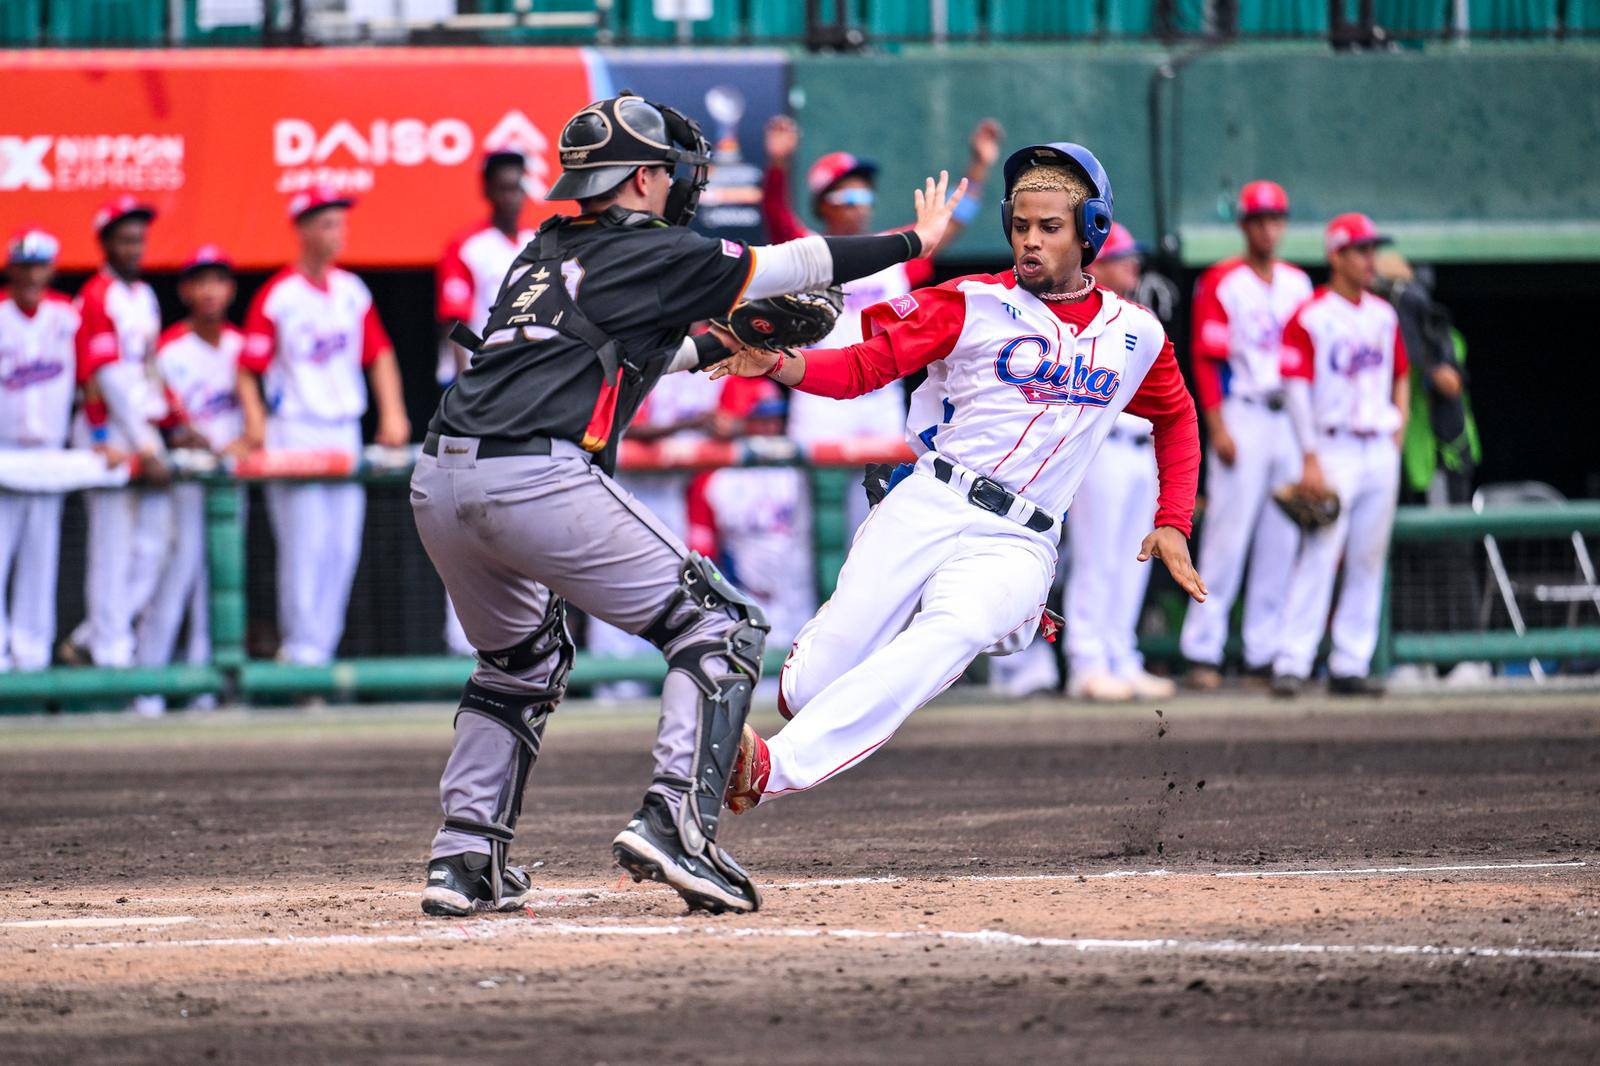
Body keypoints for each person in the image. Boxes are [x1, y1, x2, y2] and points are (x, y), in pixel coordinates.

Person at [408, 93, 969, 917]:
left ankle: (464, 858)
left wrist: (720, 345)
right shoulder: (655, 246)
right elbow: (796, 264)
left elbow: (617, 355)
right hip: (532, 475)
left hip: (439, 477)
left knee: (517, 664)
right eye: (669, 171)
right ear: (641, 176)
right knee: (721, 625)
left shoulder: (544, 250)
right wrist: (914, 242)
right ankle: (676, 822)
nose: (679, 184)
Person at [712, 142, 1205, 813]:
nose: (1031, 241)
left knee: (955, 626)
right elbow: (862, 367)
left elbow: (1177, 417)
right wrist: (776, 363)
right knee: (808, 690)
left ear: (1090, 231)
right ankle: (981, 627)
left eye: (1050, 227)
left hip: (1020, 537)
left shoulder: (1135, 334)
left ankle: (773, 769)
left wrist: (1173, 520)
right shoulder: (970, 303)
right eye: (1021, 225)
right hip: (933, 500)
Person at [761, 115, 1003, 534]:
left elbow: (949, 225)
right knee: (808, 524)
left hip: (880, 399)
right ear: (823, 203)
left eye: (864, 193)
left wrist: (978, 168)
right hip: (818, 396)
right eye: (848, 193)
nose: (860, 202)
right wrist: (778, 165)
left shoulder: (893, 250)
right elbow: (776, 216)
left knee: (880, 516)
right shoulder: (807, 250)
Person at [237, 187, 411, 667]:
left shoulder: (352, 290)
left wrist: (393, 412)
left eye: (340, 222)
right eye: (328, 223)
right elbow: (248, 367)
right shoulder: (279, 295)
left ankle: (319, 655)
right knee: (305, 549)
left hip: (343, 430)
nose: (339, 232)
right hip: (296, 430)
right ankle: (301, 656)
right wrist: (255, 422)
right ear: (304, 229)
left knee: (341, 550)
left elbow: (379, 353)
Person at [1177, 181, 1314, 691]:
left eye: (1275, 219)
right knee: (1227, 538)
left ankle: (1263, 652)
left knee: (1282, 538)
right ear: (1244, 226)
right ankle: (1202, 649)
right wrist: (1217, 426)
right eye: (1259, 220)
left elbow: (1307, 363)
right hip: (1244, 412)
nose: (1268, 229)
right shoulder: (1222, 280)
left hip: (1288, 415)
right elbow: (1206, 358)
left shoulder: (1299, 283)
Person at [1270, 213, 1408, 698]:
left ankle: (1351, 662)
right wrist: (1309, 455)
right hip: (1332, 445)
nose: (1371, 259)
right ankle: (1292, 661)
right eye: (1360, 250)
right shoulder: (1311, 315)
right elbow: (1295, 387)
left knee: (1369, 557)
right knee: (1320, 552)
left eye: (1372, 250)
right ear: (1337, 256)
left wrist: (1397, 434)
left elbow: (1401, 375)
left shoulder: (1384, 314)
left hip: (1377, 444)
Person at [1062, 223, 1175, 702]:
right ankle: (1086, 663)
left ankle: (1121, 657)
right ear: (1097, 264)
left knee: (1135, 559)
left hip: (1140, 448)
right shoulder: (1075, 316)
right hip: (1099, 448)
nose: (1133, 265)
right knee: (1096, 559)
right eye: (1122, 257)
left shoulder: (1140, 319)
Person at [435, 148, 539, 657]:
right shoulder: (468, 247)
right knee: (468, 520)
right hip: (480, 403)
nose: (511, 196)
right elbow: (455, 324)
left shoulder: (541, 245)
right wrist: (472, 394)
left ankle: (529, 641)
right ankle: (464, 646)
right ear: (488, 190)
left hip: (532, 404)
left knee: (530, 519)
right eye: (503, 186)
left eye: (517, 185)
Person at [65, 196, 173, 669]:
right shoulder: (96, 294)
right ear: (105, 243)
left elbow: (148, 369)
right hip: (105, 431)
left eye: (139, 239)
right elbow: (105, 377)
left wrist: (173, 422)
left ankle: (91, 638)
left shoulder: (143, 296)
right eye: (125, 239)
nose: (134, 248)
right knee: (112, 549)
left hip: (142, 427)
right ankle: (110, 654)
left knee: (157, 544)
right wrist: (144, 444)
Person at [135, 247, 248, 692]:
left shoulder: (241, 345)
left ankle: (207, 692)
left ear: (231, 289)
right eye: (200, 281)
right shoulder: (169, 348)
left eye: (218, 280)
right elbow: (151, 412)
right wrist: (176, 434)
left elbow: (258, 415)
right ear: (184, 290)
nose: (209, 290)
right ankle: (147, 687)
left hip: (229, 478)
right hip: (182, 481)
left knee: (219, 584)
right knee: (175, 576)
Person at [0, 230, 81, 673]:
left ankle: (31, 658)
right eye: (24, 266)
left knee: (40, 559)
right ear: (11, 270)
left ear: (51, 270)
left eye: (40, 266)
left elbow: (94, 377)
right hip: (4, 450)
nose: (32, 275)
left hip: (49, 452)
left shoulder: (67, 317)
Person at [702, 378, 815, 648]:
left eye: (776, 418)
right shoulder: (721, 478)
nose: (771, 427)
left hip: (796, 597)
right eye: (762, 419)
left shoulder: (796, 471)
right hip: (747, 596)